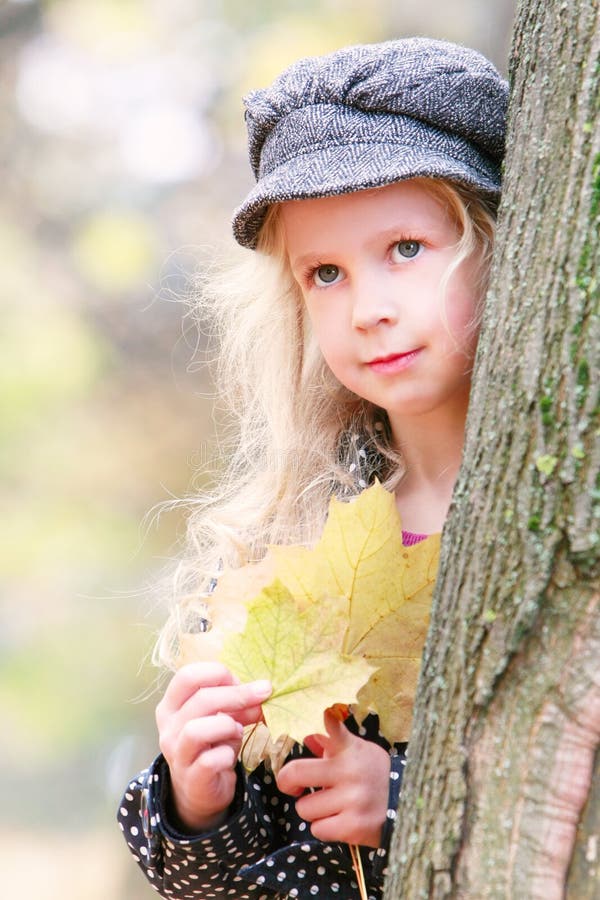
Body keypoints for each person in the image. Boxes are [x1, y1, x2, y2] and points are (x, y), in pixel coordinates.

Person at [118, 37, 507, 900]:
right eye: (325, 272)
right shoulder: (297, 540)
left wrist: (407, 802)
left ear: (498, 242)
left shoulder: (556, 507)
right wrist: (199, 802)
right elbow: (242, 883)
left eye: (406, 247)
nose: (368, 308)